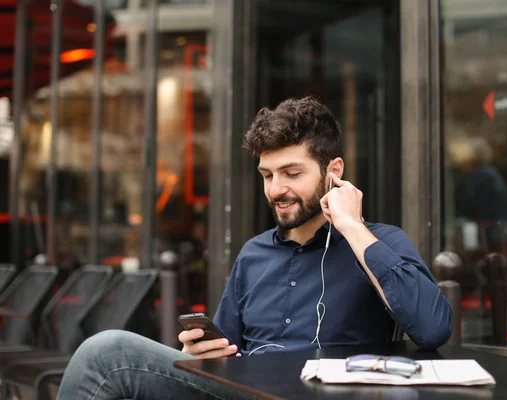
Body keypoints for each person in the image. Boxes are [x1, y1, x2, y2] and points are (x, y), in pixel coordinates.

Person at [57, 97, 453, 399]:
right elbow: (223, 355)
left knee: (106, 353)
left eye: (292, 173)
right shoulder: (253, 254)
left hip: (326, 392)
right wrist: (202, 349)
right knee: (107, 359)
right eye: (267, 175)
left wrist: (350, 226)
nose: (275, 189)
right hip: (243, 392)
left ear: (333, 172)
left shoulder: (377, 242)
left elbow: (433, 328)